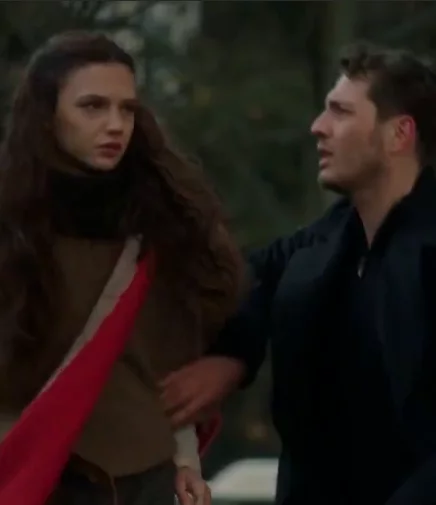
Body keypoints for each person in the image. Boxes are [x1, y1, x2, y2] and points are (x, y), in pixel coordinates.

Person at [161, 42, 436, 505]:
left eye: (340, 112)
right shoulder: (329, 239)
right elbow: (255, 276)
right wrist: (232, 356)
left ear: (399, 134)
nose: (318, 126)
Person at [0, 31, 244, 505]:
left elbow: (171, 362)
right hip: (42, 475)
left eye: (127, 109)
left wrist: (187, 460)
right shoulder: (13, 232)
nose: (115, 125)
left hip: (146, 476)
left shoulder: (165, 226)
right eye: (92, 107)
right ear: (47, 116)